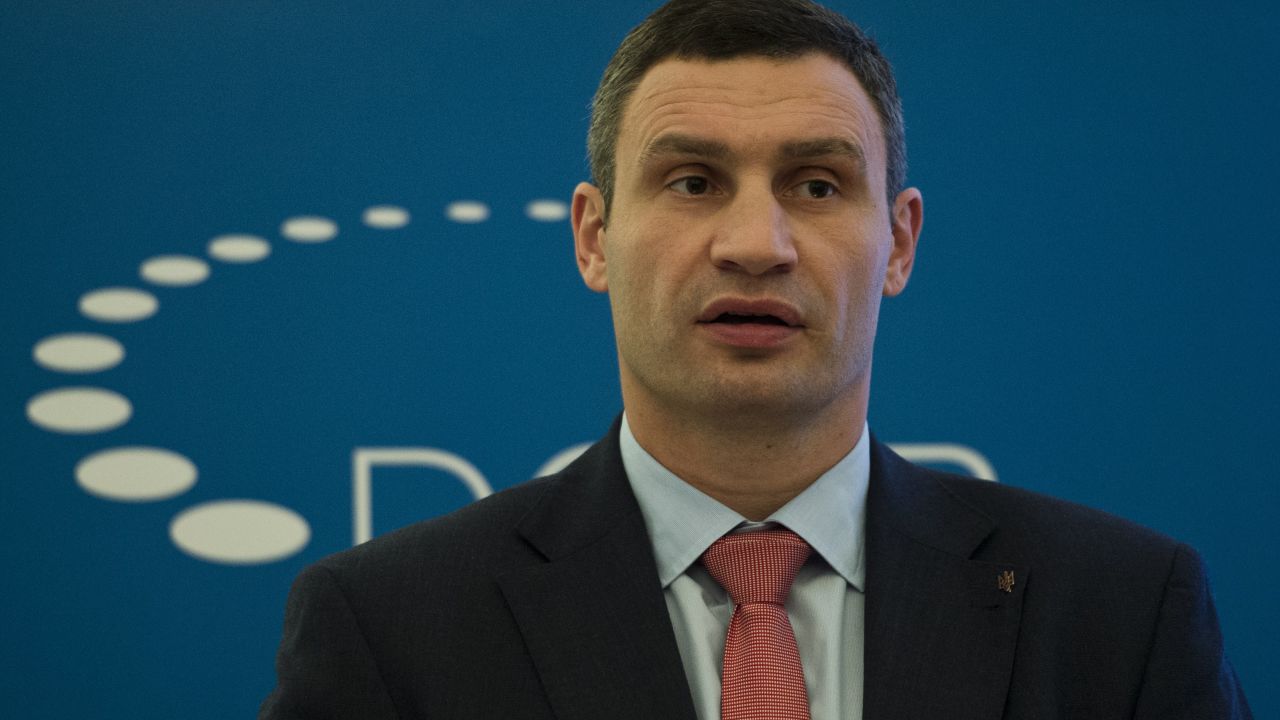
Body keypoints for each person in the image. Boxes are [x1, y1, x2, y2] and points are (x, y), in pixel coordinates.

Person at [260, 1, 1251, 718]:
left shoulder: (1118, 616)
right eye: (692, 181)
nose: (756, 243)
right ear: (593, 237)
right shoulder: (390, 630)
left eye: (815, 186)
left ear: (898, 243)